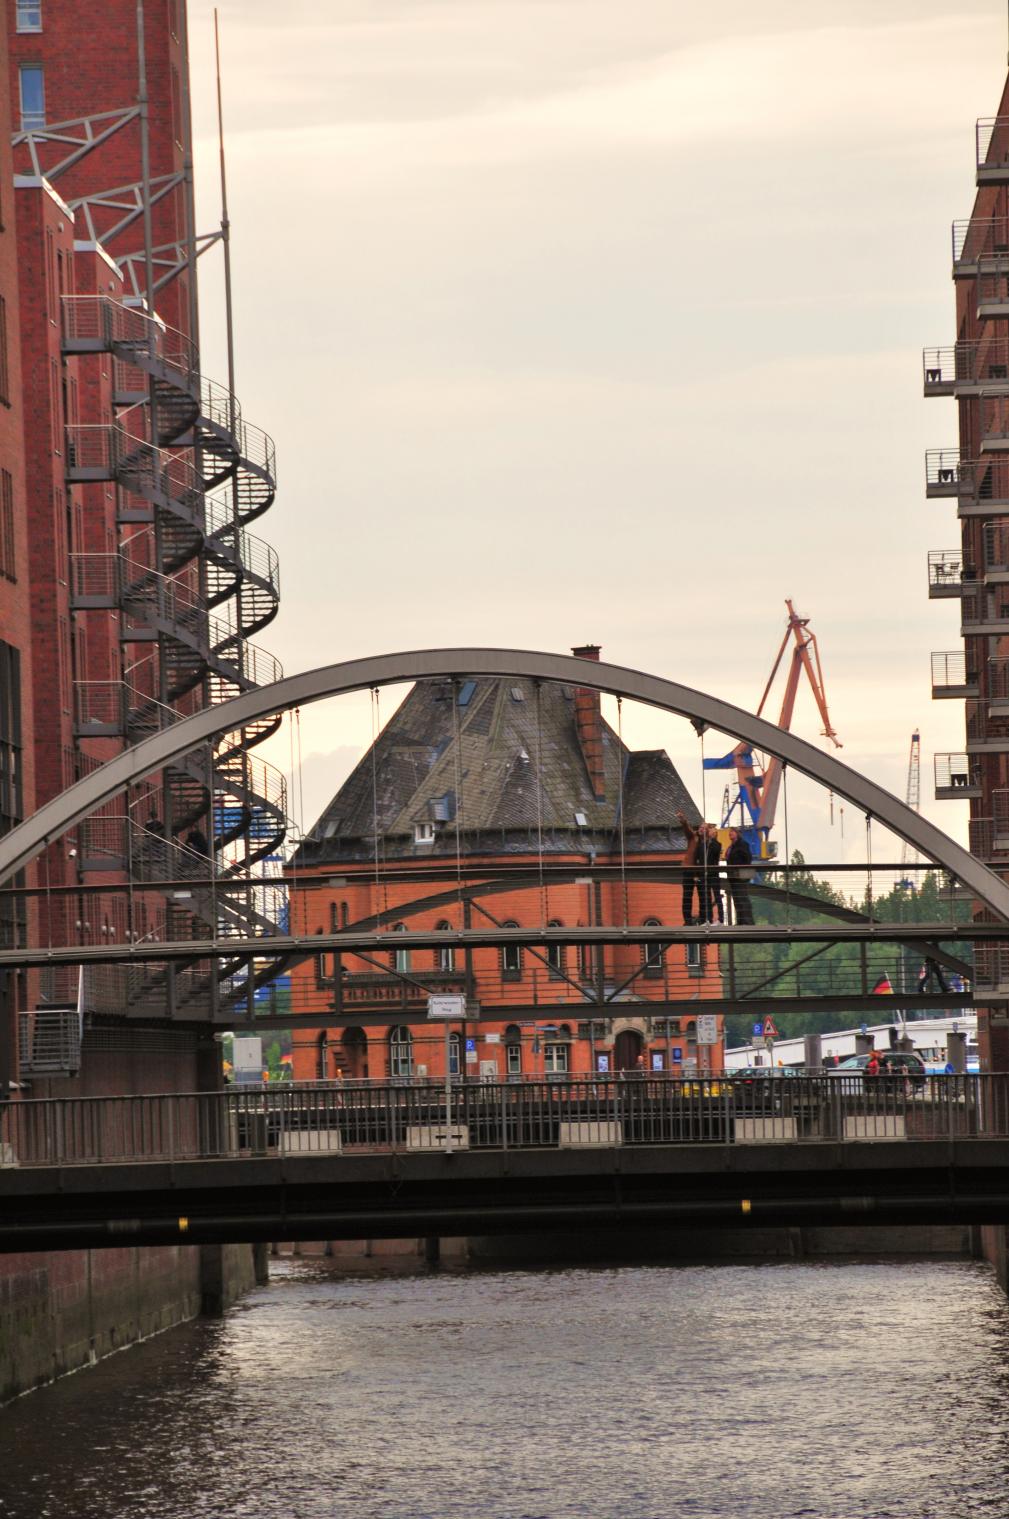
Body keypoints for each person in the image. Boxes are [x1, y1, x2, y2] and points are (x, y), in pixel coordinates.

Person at [675, 809, 704, 924]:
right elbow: (687, 830)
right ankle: (687, 919)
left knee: (702, 896)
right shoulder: (693, 837)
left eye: (704, 828)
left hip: (700, 871)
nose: (702, 829)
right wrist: (683, 820)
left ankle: (703, 918)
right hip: (689, 870)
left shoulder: (706, 842)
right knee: (687, 896)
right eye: (701, 827)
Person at [724, 826, 754, 925]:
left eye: (732, 832)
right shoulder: (731, 846)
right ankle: (741, 921)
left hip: (740, 875)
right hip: (733, 876)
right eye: (729, 832)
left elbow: (748, 858)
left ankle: (747, 921)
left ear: (737, 833)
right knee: (737, 898)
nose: (730, 833)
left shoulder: (742, 844)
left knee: (742, 897)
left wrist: (742, 870)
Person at [701, 824, 724, 924]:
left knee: (717, 896)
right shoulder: (706, 844)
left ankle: (721, 918)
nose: (709, 832)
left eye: (711, 831)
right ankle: (709, 919)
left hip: (714, 874)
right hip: (707, 874)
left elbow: (715, 852)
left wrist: (711, 842)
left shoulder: (717, 844)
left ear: (714, 834)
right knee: (708, 897)